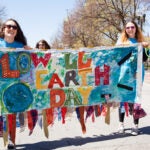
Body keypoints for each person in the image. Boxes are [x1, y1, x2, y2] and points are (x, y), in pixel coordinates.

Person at [0, 18, 31, 149]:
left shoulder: (20, 46)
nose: (11, 29)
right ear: (3, 29)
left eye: (14, 27)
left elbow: (30, 61)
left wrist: (31, 51)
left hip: (14, 85)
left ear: (17, 31)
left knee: (12, 113)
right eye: (8, 26)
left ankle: (12, 141)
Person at [116, 20, 149, 136]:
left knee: (136, 100)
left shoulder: (141, 42)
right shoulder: (121, 41)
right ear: (125, 30)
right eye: (128, 27)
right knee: (123, 100)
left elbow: (144, 59)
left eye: (132, 27)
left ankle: (135, 126)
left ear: (136, 28)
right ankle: (121, 124)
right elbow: (115, 56)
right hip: (124, 76)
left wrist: (146, 48)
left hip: (137, 75)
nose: (130, 29)